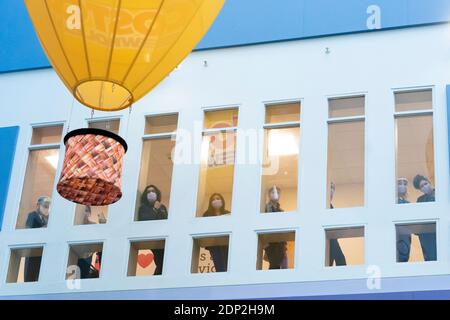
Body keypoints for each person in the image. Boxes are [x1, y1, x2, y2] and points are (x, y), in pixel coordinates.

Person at [138, 185, 167, 274]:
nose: (151, 193)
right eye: (148, 192)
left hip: (163, 237)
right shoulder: (143, 208)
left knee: (164, 262)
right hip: (152, 238)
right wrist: (155, 209)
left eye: (153, 191)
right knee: (159, 261)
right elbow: (145, 221)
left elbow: (165, 220)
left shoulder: (162, 207)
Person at [409, 174, 437, 261]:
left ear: (429, 182)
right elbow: (419, 219)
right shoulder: (420, 200)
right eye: (422, 186)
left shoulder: (443, 193)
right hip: (428, 235)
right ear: (420, 190)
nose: (425, 186)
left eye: (425, 183)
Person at [24, 196, 50, 281]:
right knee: (30, 274)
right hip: (32, 251)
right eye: (45, 206)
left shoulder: (47, 220)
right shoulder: (32, 215)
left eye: (48, 207)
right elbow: (28, 231)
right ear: (38, 205)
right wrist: (43, 229)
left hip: (42, 252)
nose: (46, 209)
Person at [203, 194, 230, 272]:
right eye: (213, 199)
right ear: (210, 202)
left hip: (226, 243)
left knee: (227, 264)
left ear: (222, 200)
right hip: (213, 243)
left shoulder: (228, 213)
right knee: (219, 264)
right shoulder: (206, 214)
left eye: (218, 198)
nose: (216, 201)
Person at [328, 182, 347, 266]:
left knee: (341, 261)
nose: (332, 191)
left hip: (332, 239)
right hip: (329, 240)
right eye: (330, 187)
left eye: (333, 188)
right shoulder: (323, 207)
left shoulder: (331, 207)